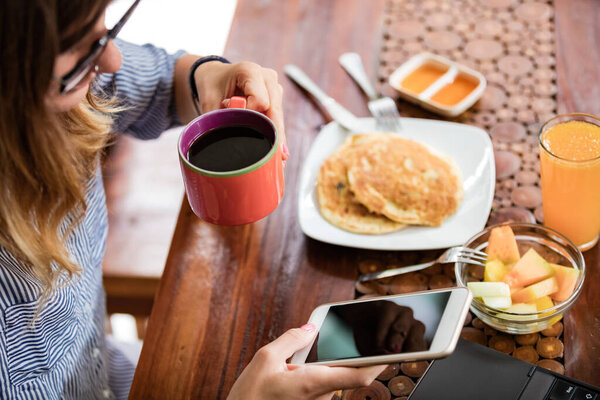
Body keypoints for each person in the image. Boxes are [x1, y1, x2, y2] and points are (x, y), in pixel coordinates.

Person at [0, 0, 385, 398]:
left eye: (105, 33)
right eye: (81, 52)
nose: (111, 60)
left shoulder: (53, 73)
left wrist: (211, 74)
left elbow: (161, 77)